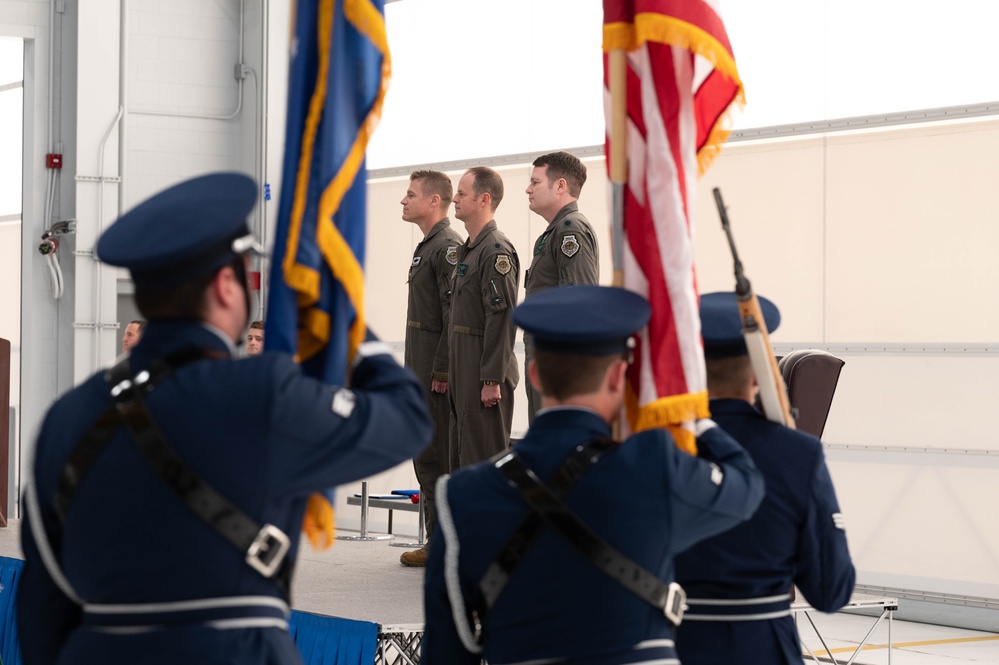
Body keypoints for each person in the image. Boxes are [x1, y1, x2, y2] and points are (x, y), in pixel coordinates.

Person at [18, 172, 433, 665]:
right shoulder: (261, 394)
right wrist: (347, 328)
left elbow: (42, 603)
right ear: (225, 286)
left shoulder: (69, 414)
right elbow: (408, 419)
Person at [423, 285, 765, 665]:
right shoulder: (652, 466)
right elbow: (746, 486)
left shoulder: (463, 494)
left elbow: (447, 648)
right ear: (620, 376)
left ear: (535, 376)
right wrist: (693, 418)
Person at [673, 292, 856, 665]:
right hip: (763, 647)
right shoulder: (797, 454)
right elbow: (831, 589)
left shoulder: (656, 449)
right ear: (759, 372)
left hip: (674, 647)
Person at [398, 170, 464, 567]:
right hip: (419, 369)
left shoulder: (447, 247)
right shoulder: (429, 245)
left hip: (434, 376)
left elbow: (450, 314)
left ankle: (441, 543)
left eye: (410, 195)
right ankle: (434, 539)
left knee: (436, 457)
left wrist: (440, 371)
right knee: (425, 456)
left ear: (434, 200)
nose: (403, 201)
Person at [447, 166, 519, 470]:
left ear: (483, 199)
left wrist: (491, 378)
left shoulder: (495, 250)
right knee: (463, 460)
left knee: (483, 463)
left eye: (462, 193)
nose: (454, 199)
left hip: (483, 375)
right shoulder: (469, 250)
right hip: (464, 370)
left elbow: (502, 317)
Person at [523, 151, 599, 422]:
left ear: (560, 186)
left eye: (535, 182)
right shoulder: (556, 231)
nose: (528, 189)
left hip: (558, 361)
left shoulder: (570, 230)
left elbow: (578, 301)